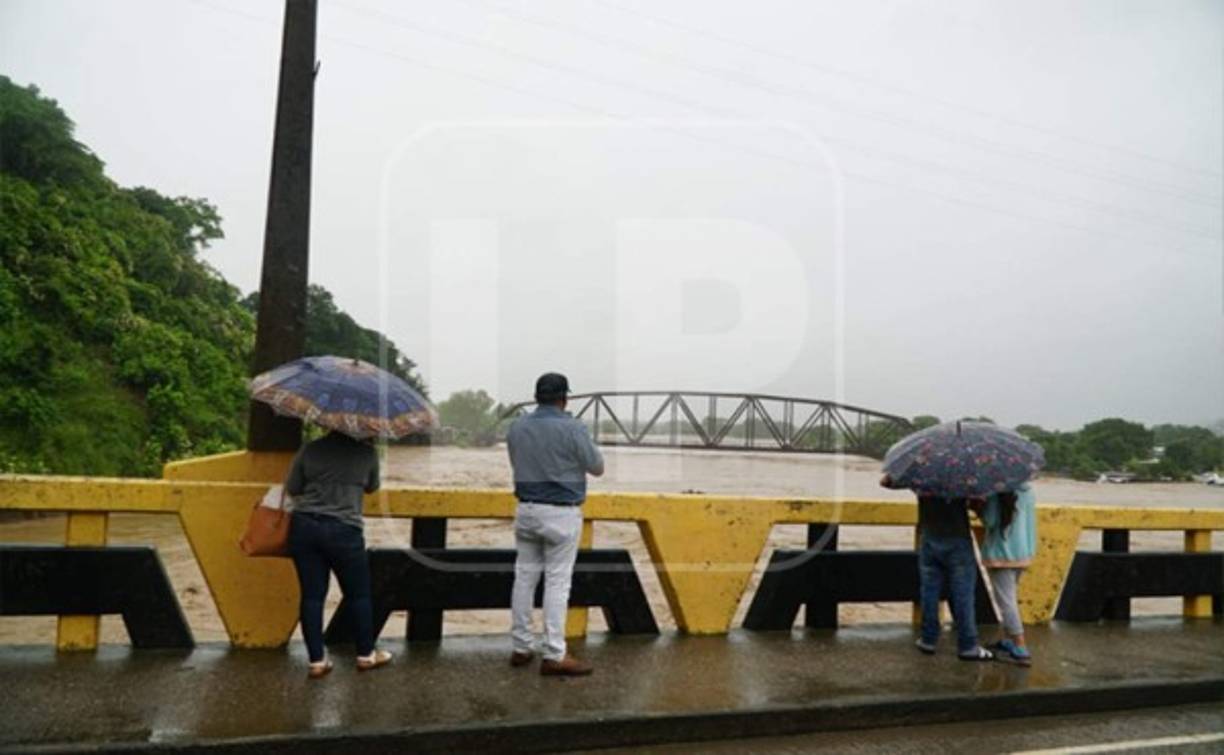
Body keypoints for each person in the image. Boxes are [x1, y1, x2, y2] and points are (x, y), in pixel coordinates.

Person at [507, 372, 604, 676]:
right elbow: (597, 467)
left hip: (525, 510)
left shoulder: (517, 426)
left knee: (524, 579)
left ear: (537, 396)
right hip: (561, 513)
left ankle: (521, 648)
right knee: (558, 584)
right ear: (564, 398)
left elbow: (516, 462)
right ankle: (554, 654)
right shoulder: (573, 427)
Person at [285, 430, 392, 679]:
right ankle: (366, 655)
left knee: (312, 596)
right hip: (345, 530)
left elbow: (293, 487)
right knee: (358, 595)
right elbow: (372, 487)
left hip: (305, 527)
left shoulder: (310, 449)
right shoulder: (366, 453)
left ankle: (316, 661)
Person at [881, 475, 994, 661]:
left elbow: (885, 482)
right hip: (958, 541)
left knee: (929, 592)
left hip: (930, 540)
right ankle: (968, 645)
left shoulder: (922, 478)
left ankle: (928, 640)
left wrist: (910, 472)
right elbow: (979, 505)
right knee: (963, 595)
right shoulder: (962, 479)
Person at [978, 483, 1037, 666]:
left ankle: (1020, 646)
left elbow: (991, 521)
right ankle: (1008, 641)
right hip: (1023, 551)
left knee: (1006, 602)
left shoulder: (997, 493)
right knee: (1010, 598)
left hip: (1002, 554)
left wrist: (979, 507)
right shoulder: (1028, 491)